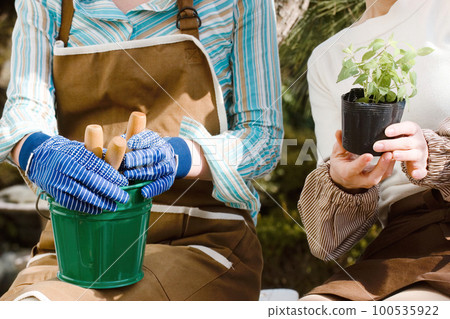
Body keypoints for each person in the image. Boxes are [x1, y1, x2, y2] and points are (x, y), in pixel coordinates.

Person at [0, 0, 283, 301]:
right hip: (76, 245)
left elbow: (263, 137)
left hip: (202, 240)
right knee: (29, 304)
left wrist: (181, 156)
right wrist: (36, 150)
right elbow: (24, 107)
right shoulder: (46, 4)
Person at [298, 0, 450, 301]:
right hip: (403, 243)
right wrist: (343, 183)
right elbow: (325, 242)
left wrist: (434, 155)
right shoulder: (326, 58)